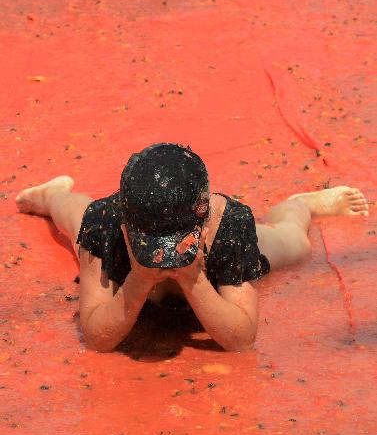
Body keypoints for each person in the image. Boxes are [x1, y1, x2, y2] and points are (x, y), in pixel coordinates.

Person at [16, 143, 369, 352]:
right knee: (75, 215)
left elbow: (242, 338)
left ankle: (301, 204)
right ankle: (53, 194)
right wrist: (138, 279)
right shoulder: (107, 222)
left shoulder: (227, 225)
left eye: (177, 243)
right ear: (125, 221)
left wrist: (193, 279)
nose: (164, 255)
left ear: (203, 221)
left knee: (294, 241)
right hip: (119, 234)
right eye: (150, 243)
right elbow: (96, 336)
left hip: (213, 256)